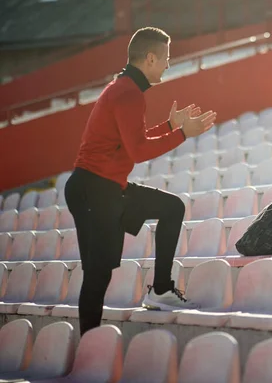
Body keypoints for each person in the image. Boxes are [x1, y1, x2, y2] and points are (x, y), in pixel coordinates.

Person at [64, 27, 216, 336]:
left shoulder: (123, 88)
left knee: (172, 208)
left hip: (105, 187)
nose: (168, 65)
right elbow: (139, 150)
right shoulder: (128, 93)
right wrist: (183, 133)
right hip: (94, 190)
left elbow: (131, 140)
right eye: (166, 59)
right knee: (97, 275)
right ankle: (88, 344)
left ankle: (161, 290)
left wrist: (170, 125)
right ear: (150, 58)